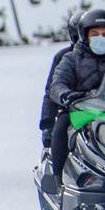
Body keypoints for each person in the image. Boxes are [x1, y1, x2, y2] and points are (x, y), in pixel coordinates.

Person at [47, 9, 105, 184]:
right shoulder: (71, 59)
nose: (100, 37)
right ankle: (58, 179)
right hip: (82, 110)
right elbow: (56, 84)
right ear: (85, 36)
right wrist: (66, 95)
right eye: (95, 34)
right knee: (61, 127)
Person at [38, 11, 83, 149]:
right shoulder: (65, 57)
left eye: (103, 34)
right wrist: (47, 123)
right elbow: (52, 90)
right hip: (75, 108)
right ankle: (56, 169)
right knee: (61, 128)